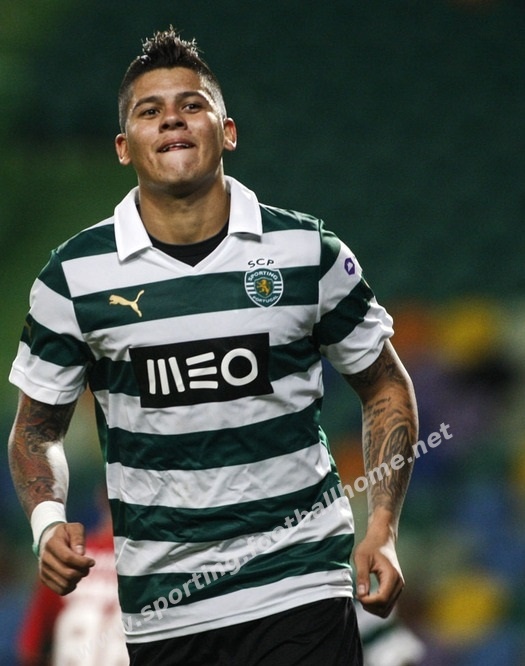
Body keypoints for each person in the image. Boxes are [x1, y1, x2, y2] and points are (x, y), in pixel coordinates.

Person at [8, 27, 418, 666]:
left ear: (227, 132)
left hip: (301, 585)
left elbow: (385, 384)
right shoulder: (73, 278)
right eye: (150, 110)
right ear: (123, 147)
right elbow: (35, 431)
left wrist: (383, 528)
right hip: (165, 609)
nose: (172, 118)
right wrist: (46, 522)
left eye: (192, 104)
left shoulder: (307, 253)